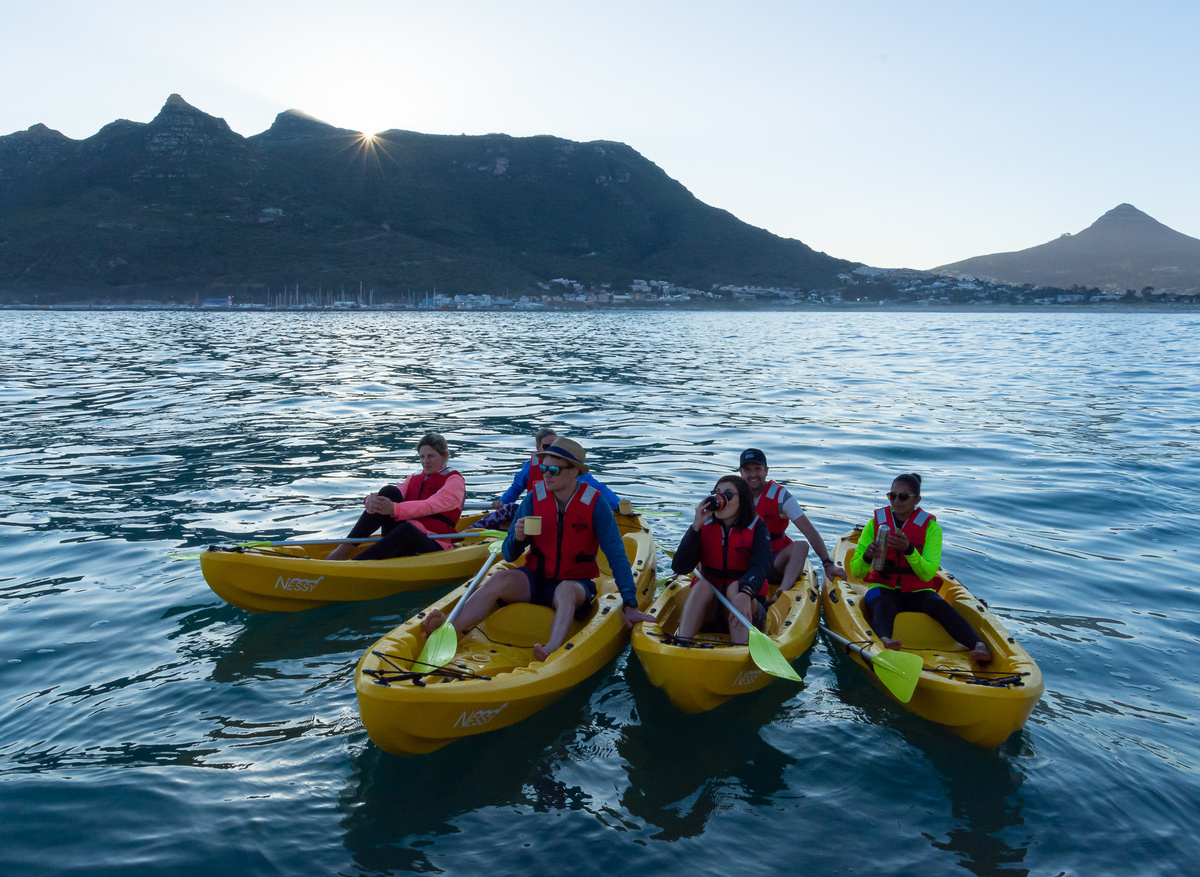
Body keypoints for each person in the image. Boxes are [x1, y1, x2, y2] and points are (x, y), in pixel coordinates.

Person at [422, 437, 653, 660]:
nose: (545, 475)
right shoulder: (532, 500)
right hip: (535, 579)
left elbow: (616, 555)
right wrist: (518, 538)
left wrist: (630, 604)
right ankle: (449, 628)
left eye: (554, 470)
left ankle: (550, 648)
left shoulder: (595, 504)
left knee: (566, 591)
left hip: (575, 585)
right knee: (499, 578)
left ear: (574, 471)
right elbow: (510, 553)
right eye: (544, 469)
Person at [848, 473, 992, 663]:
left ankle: (978, 645)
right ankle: (885, 641)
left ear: (917, 499)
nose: (897, 501)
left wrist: (909, 550)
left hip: (918, 589)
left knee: (938, 604)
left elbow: (928, 573)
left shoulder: (932, 529)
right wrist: (868, 556)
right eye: (893, 496)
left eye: (903, 496)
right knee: (883, 604)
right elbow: (857, 571)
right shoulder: (875, 524)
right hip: (882, 587)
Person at [325, 432, 466, 561]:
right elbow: (394, 495)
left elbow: (430, 505)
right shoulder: (414, 478)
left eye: (431, 456)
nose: (425, 461)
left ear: (445, 455)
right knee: (389, 491)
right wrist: (370, 501)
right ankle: (342, 551)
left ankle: (353, 565)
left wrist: (394, 508)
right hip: (404, 535)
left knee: (408, 528)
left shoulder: (454, 481)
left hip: (434, 542)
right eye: (422, 456)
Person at [671, 475, 773, 646]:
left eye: (728, 494)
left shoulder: (757, 527)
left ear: (743, 500)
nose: (720, 498)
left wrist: (746, 592)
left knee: (736, 586)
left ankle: (739, 650)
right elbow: (680, 567)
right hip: (710, 610)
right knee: (702, 586)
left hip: (744, 606)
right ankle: (682, 643)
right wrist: (695, 528)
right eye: (716, 493)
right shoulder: (704, 526)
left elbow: (762, 564)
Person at [738, 448, 845, 591]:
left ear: (766, 470)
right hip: (743, 559)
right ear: (740, 472)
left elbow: (810, 532)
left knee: (801, 546)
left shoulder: (781, 497)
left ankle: (783, 591)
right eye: (747, 470)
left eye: (757, 469)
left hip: (774, 561)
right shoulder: (733, 494)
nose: (753, 475)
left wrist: (827, 563)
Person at [493, 427, 624, 512]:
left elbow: (597, 488)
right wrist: (502, 503)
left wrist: (618, 504)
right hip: (535, 514)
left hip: (563, 513)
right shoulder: (529, 468)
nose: (551, 450)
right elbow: (515, 490)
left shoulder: (569, 467)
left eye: (554, 445)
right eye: (546, 446)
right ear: (538, 448)